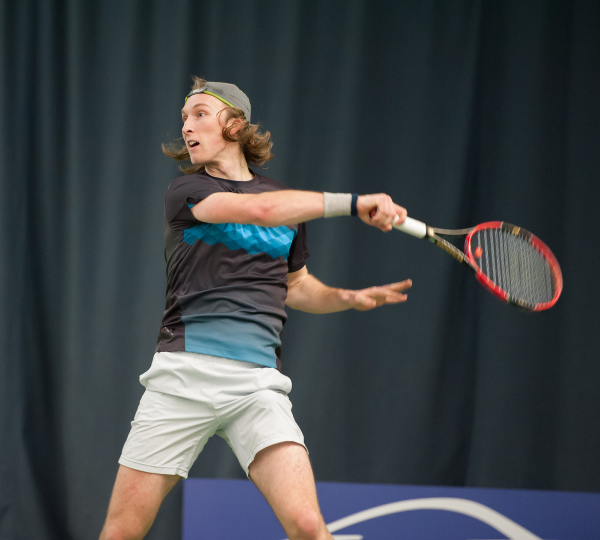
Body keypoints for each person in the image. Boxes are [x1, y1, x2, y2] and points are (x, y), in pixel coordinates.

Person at [99, 78, 412, 540]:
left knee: (309, 526)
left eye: (200, 113)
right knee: (123, 531)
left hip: (257, 386)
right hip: (184, 377)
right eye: (184, 117)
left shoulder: (286, 204)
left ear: (234, 123)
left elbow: (297, 287)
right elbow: (261, 211)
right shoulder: (187, 190)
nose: (187, 126)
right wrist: (354, 203)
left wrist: (346, 298)